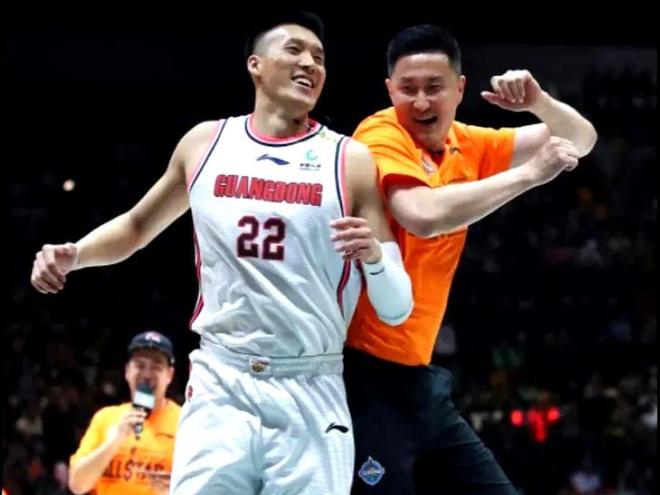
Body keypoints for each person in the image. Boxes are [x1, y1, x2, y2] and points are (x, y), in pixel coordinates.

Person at [31, 11, 413, 495]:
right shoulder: (205, 144)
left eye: (319, 57)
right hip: (221, 384)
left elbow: (396, 308)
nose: (310, 64)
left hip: (309, 387)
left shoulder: (349, 159)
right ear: (256, 65)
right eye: (294, 50)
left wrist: (375, 260)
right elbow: (137, 226)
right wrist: (76, 254)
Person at [344, 24, 597, 494]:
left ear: (459, 89)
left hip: (421, 382)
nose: (421, 102)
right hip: (361, 378)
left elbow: (581, 139)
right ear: (390, 90)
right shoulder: (379, 135)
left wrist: (540, 103)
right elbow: (421, 215)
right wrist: (529, 175)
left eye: (434, 87)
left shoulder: (468, 143)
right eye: (408, 89)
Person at [68, 331, 180, 495]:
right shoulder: (105, 418)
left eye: (156, 367)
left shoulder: (185, 423)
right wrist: (113, 442)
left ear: (169, 375)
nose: (147, 375)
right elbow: (77, 485)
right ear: (127, 371)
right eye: (140, 365)